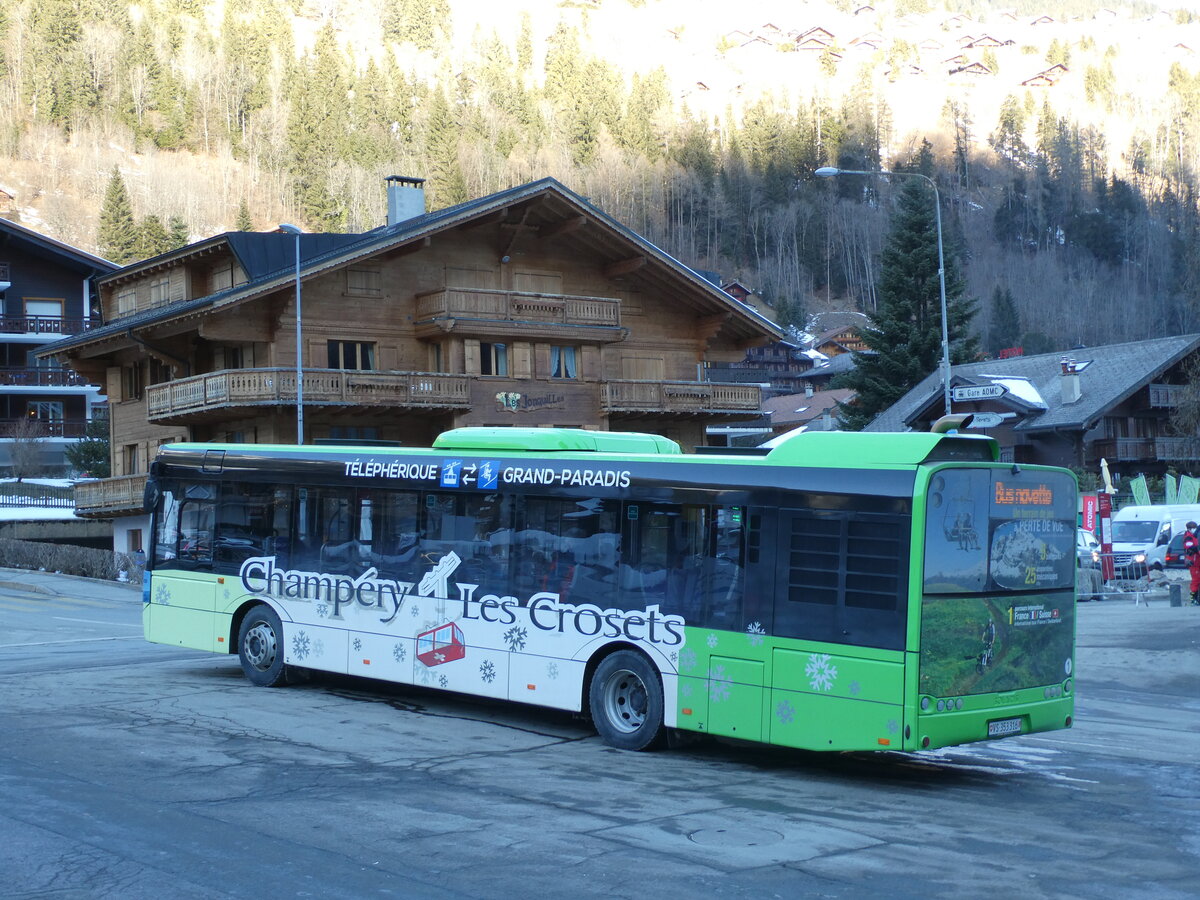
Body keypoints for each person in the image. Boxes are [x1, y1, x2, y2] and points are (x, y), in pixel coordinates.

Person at [1185, 522, 1200, 605]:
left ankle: (1196, 598)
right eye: (1193, 528)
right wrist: (1197, 548)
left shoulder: (1195, 536)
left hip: (1197, 561)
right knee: (1196, 580)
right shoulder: (1188, 537)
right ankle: (1192, 598)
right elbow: (1189, 547)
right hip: (1193, 562)